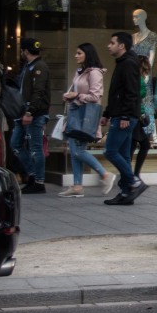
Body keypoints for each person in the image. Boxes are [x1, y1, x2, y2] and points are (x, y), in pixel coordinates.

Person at [59, 43, 111, 198]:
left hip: (85, 115)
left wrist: (76, 96)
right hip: (76, 113)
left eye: (79, 53)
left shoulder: (95, 72)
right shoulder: (80, 71)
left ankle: (105, 174)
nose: (76, 55)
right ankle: (77, 186)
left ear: (87, 54)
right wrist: (70, 95)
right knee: (74, 150)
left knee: (77, 150)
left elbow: (96, 96)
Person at [102, 31, 148, 205]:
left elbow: (131, 92)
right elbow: (116, 93)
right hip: (122, 115)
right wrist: (107, 113)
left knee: (110, 151)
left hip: (125, 117)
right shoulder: (123, 62)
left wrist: (125, 116)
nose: (109, 45)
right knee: (123, 154)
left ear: (122, 46)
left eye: (112, 43)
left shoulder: (128, 64)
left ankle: (134, 182)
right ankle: (126, 192)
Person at [11, 37, 51, 194]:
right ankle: (33, 175)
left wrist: (30, 112)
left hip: (34, 113)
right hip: (23, 112)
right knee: (16, 145)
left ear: (25, 51)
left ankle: (39, 181)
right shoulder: (28, 66)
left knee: (36, 148)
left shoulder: (39, 67)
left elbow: (39, 91)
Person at [128, 56, 153, 178]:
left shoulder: (134, 79)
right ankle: (134, 174)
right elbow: (137, 99)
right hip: (136, 115)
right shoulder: (140, 80)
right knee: (144, 145)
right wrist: (142, 113)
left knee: (132, 146)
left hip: (133, 115)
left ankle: (130, 174)